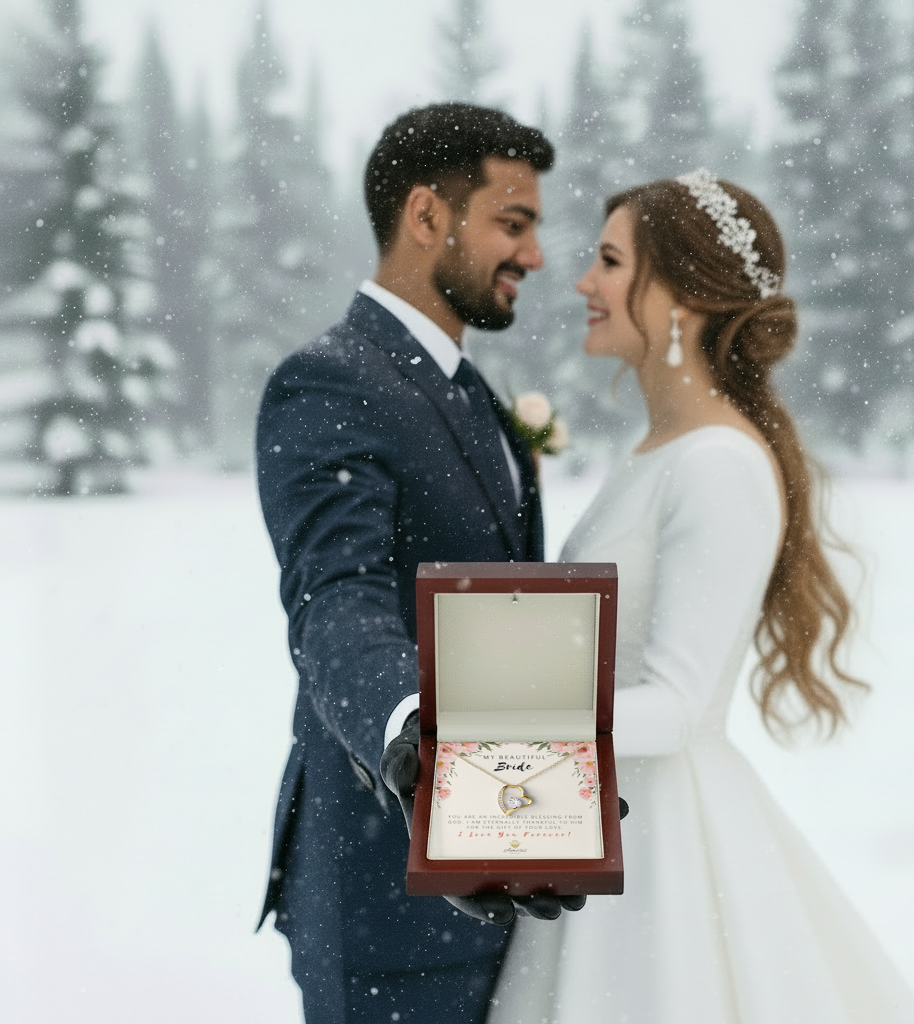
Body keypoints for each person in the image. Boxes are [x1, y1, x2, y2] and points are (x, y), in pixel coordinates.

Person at [487, 171, 914, 1023]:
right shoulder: (661, 448)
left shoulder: (717, 464)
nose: (584, 282)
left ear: (683, 298)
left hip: (661, 850)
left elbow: (681, 705)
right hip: (598, 820)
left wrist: (505, 728)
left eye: (610, 261)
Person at [255, 102, 579, 1024]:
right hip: (387, 901)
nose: (536, 256)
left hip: (503, 876)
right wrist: (413, 730)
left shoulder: (474, 394)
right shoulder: (329, 383)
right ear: (428, 215)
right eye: (512, 224)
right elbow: (336, 599)